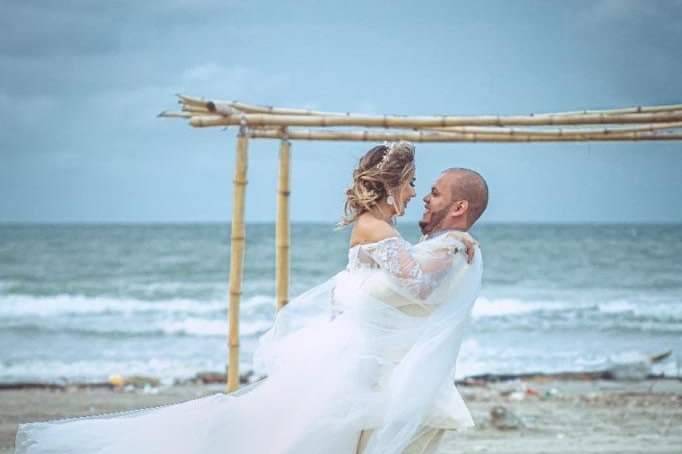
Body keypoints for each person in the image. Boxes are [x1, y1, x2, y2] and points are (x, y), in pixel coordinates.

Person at [15, 142, 488, 454]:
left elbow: (402, 289)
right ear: (391, 183)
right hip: (344, 361)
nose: (415, 195)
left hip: (357, 361)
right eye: (411, 185)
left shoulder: (389, 233)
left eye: (425, 190)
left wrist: (448, 247)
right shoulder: (375, 227)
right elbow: (417, 282)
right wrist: (455, 244)